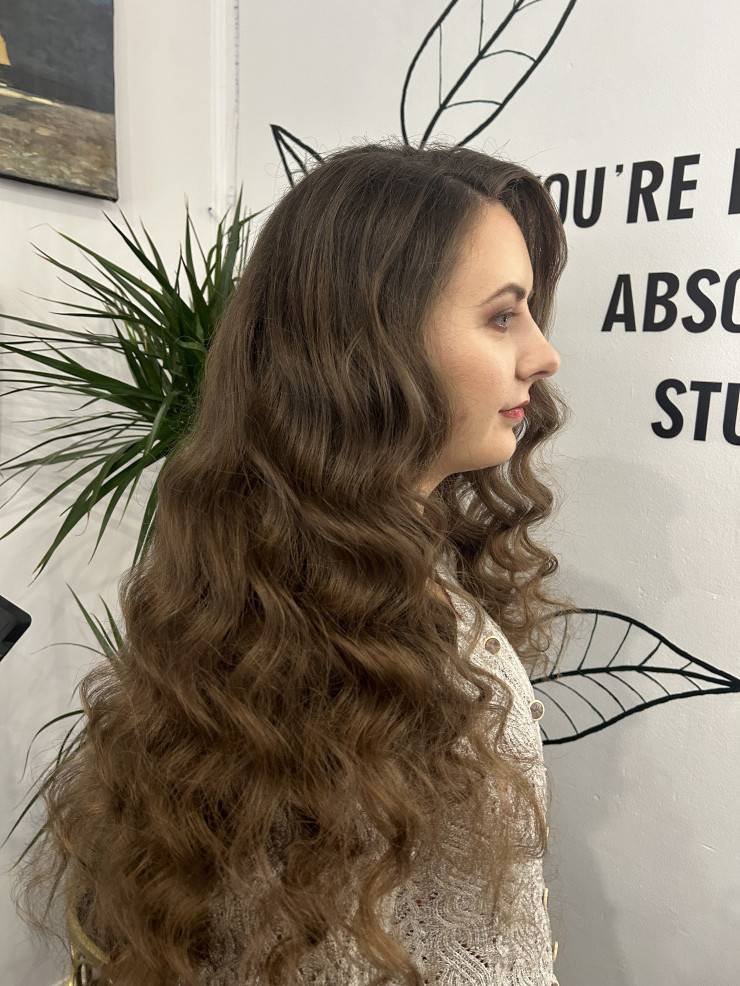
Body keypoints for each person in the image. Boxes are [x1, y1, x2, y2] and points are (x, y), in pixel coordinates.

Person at [16, 141, 569, 986]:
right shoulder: (441, 650)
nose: (542, 353)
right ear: (374, 346)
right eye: (502, 317)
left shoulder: (233, 587)